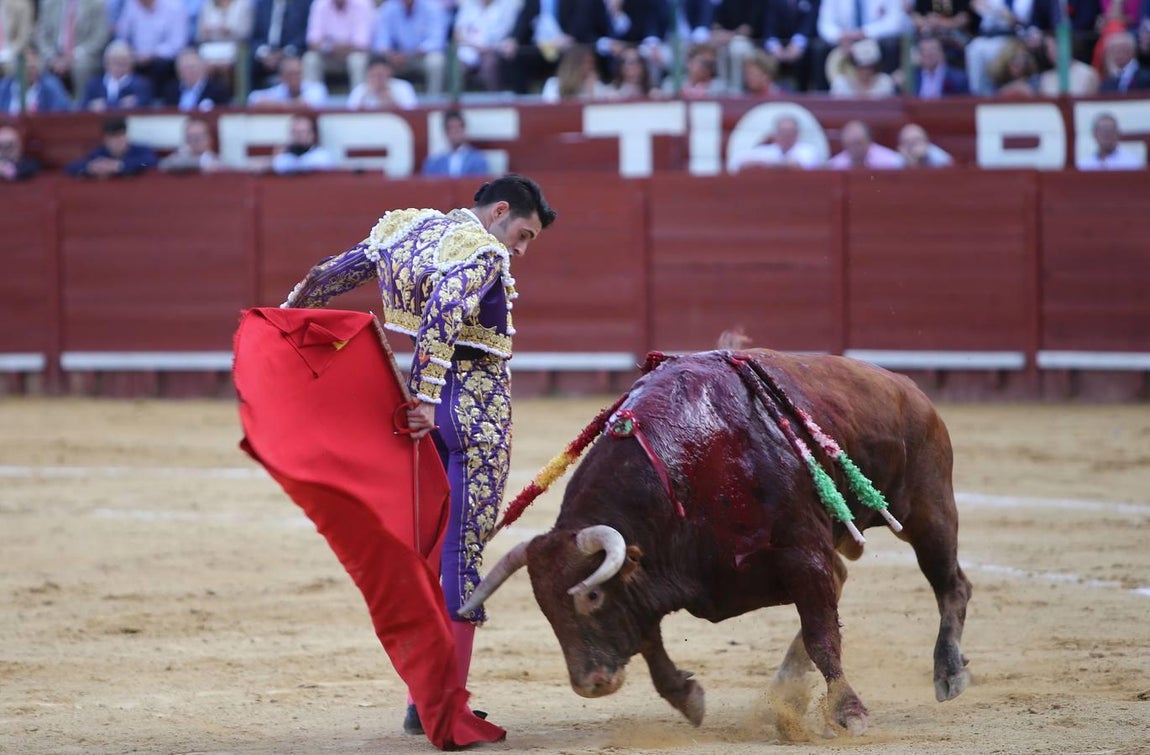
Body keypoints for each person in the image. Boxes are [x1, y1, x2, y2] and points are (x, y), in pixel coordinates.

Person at [279, 174, 557, 736]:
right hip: (473, 414)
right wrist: (427, 398)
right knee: (460, 556)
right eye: (522, 234)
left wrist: (284, 322)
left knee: (427, 548)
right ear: (499, 210)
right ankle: (443, 706)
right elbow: (443, 314)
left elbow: (325, 279)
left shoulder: (406, 228)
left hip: (425, 419)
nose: (520, 251)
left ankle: (420, 700)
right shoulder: (482, 251)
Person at [34, 0, 110, 100]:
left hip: (82, 54)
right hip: (54, 54)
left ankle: (79, 108)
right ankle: (44, 106)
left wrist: (73, 56)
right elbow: (40, 35)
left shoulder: (96, 4)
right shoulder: (49, 3)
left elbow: (100, 37)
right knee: (37, 66)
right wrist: (51, 57)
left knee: (81, 67)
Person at [302, 0, 373, 93]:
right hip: (328, 56)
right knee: (310, 59)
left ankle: (359, 102)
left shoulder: (363, 3)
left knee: (357, 60)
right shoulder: (320, 4)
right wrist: (331, 48)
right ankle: (311, 102)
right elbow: (312, 42)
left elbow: (362, 44)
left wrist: (330, 46)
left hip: (352, 55)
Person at [66, 115, 159, 177]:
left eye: (121, 136)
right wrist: (90, 167)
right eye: (113, 137)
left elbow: (150, 162)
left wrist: (121, 166)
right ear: (106, 139)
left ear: (126, 136)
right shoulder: (98, 153)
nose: (118, 141)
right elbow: (72, 167)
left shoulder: (140, 150)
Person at [728, 114, 820, 172]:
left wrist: (764, 165)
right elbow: (737, 162)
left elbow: (799, 165)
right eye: (782, 132)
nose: (786, 136)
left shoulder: (807, 150)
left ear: (796, 134)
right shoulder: (766, 150)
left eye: (789, 132)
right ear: (775, 134)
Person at [81, 39, 155, 109]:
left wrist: (106, 105)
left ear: (132, 63)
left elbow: (146, 106)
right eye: (116, 62)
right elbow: (82, 107)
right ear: (106, 63)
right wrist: (91, 106)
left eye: (124, 62)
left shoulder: (141, 85)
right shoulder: (94, 85)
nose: (120, 67)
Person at [0, 46, 75, 113]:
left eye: (33, 67)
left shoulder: (51, 87)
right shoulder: (4, 88)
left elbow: (63, 113)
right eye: (27, 68)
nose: (30, 72)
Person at [422, 108, 490, 177]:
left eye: (458, 127)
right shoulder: (433, 163)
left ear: (464, 130)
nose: (455, 132)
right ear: (446, 132)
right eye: (451, 128)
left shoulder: (478, 160)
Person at [247, 53, 328, 107]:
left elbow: (309, 103)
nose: (295, 77)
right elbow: (253, 98)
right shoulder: (280, 90)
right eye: (290, 74)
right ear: (282, 77)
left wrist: (276, 104)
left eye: (298, 73)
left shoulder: (317, 88)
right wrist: (289, 104)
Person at [160, 47, 230, 109]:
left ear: (202, 68)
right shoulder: (171, 91)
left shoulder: (217, 91)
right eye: (185, 68)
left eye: (192, 67)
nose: (189, 71)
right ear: (178, 71)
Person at [828, 36, 896, 97]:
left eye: (869, 67)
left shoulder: (884, 83)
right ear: (855, 66)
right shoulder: (842, 85)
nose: (866, 71)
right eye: (861, 67)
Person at [269, 112, 335, 173]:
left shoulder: (322, 155)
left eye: (302, 132)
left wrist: (280, 161)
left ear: (313, 134)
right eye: (295, 132)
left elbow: (303, 166)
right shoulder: (286, 156)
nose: (298, 136)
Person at [346, 55, 418, 109]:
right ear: (368, 73)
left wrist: (391, 100)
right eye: (374, 75)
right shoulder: (360, 90)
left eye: (381, 75)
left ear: (389, 72)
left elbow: (412, 111)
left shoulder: (402, 87)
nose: (378, 79)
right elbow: (350, 113)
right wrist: (364, 97)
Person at [1077, 112, 1145, 170]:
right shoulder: (1084, 165)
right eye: (1103, 130)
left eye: (1111, 130)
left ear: (1118, 134)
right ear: (1094, 134)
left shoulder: (1132, 163)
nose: (1107, 134)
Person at [826, 119, 902, 169]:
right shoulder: (834, 166)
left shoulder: (891, 161)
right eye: (850, 144)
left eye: (858, 143)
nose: (854, 149)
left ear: (868, 141)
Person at [158, 115, 224, 171]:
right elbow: (163, 165)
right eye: (190, 137)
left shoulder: (217, 163)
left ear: (210, 138)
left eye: (198, 137)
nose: (194, 141)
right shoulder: (179, 156)